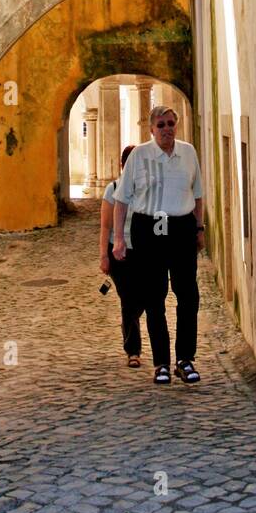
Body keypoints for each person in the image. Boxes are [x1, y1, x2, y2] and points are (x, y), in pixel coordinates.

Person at [112, 106, 204, 386]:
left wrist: (199, 229)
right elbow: (121, 199)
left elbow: (197, 194)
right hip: (148, 229)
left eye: (171, 124)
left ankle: (185, 360)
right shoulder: (139, 156)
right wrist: (119, 239)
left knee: (188, 296)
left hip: (181, 228)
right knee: (155, 298)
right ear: (152, 129)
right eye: (161, 124)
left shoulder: (188, 153)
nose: (167, 129)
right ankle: (161, 363)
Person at [99, 144, 144, 366]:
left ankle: (131, 330)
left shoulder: (147, 189)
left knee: (144, 297)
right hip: (118, 251)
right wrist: (103, 257)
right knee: (128, 299)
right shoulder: (113, 188)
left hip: (144, 251)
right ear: (123, 165)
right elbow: (105, 226)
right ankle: (133, 350)